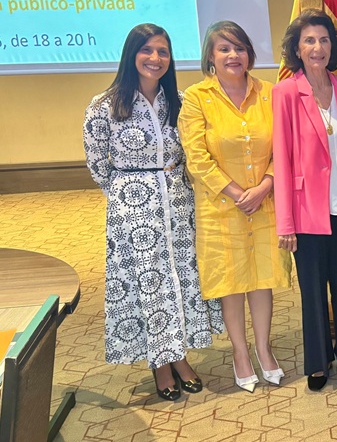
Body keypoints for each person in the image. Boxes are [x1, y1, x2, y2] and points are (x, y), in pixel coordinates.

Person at [83, 24, 223, 401]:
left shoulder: (178, 101)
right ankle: (161, 364)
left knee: (180, 281)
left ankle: (179, 356)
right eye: (146, 50)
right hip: (134, 211)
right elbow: (97, 165)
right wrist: (127, 196)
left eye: (162, 51)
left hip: (177, 203)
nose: (155, 58)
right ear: (132, 54)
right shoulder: (104, 105)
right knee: (150, 284)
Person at [179, 21, 292, 393]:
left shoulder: (269, 93)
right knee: (232, 283)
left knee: (261, 280)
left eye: (239, 48)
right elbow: (196, 157)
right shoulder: (196, 97)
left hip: (265, 202)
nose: (233, 55)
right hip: (221, 207)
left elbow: (284, 147)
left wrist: (265, 186)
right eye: (224, 48)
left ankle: (264, 348)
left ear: (249, 54)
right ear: (210, 56)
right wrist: (237, 193)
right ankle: (240, 354)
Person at [272, 10, 337, 391]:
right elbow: (281, 158)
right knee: (313, 291)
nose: (317, 47)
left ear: (333, 46)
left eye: (324, 40)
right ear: (297, 49)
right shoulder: (285, 92)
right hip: (306, 211)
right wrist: (285, 222)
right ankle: (318, 361)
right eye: (309, 40)